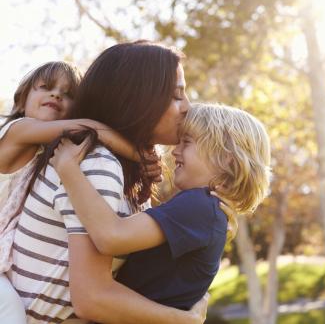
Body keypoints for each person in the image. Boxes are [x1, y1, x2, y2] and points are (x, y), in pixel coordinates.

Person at [7, 41, 208, 324]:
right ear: (137, 98)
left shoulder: (118, 171)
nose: (188, 107)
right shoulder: (95, 164)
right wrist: (184, 320)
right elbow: (92, 299)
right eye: (176, 96)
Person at [51, 102, 271, 310]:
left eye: (187, 142)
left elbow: (111, 236)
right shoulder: (208, 210)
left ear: (226, 159)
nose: (175, 151)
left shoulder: (200, 206)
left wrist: (68, 168)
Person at [0, 60, 156, 324]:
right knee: (12, 314)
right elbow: (89, 128)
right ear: (21, 100)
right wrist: (140, 158)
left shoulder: (48, 150)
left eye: (68, 94)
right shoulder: (16, 130)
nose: (56, 95)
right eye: (46, 87)